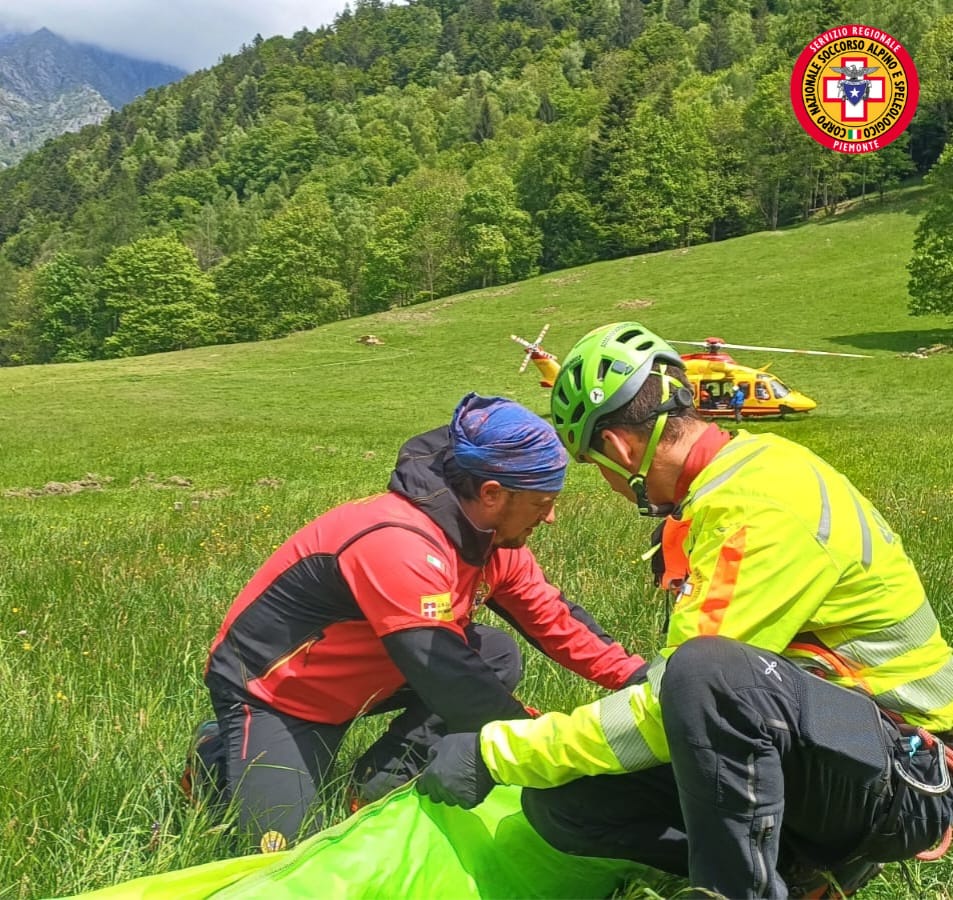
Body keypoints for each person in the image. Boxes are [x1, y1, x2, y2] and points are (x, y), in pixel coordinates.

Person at [418, 323, 953, 898]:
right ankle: (801, 876)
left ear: (619, 450)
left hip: (912, 773)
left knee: (708, 673)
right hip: (837, 748)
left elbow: (689, 691)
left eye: (595, 464)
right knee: (564, 803)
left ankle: (736, 890)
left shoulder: (757, 507)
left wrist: (494, 751)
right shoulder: (744, 472)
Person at [192, 392, 647, 853]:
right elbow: (449, 679)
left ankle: (374, 784)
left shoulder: (494, 543)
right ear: (492, 494)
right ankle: (215, 758)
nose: (550, 517)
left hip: (375, 674)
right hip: (279, 697)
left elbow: (551, 617)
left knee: (495, 653)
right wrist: (549, 750)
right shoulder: (397, 540)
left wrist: (640, 679)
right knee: (287, 853)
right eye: (541, 502)